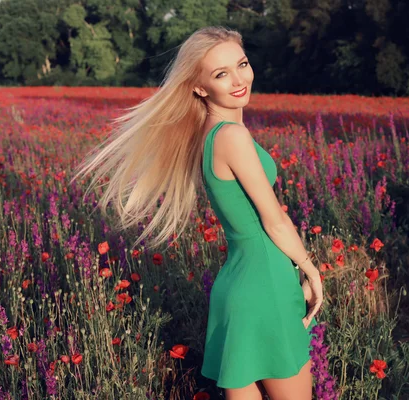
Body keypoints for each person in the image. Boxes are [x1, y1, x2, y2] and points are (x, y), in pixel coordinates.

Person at [71, 26, 323, 400]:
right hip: (267, 285)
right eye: (222, 74)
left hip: (236, 289)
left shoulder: (208, 133)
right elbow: (274, 220)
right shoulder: (232, 137)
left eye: (242, 64)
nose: (239, 79)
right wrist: (311, 269)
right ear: (200, 87)